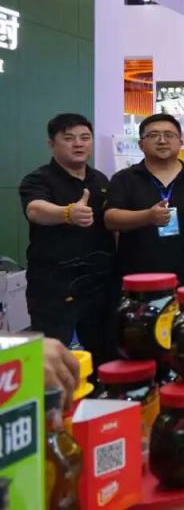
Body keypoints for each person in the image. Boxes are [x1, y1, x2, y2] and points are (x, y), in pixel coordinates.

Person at [19, 113, 116, 362]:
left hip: (98, 282)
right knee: (51, 359)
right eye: (69, 138)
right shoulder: (38, 179)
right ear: (51, 143)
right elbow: (35, 210)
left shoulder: (100, 180)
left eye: (85, 137)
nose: (78, 144)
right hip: (54, 285)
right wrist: (67, 213)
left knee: (104, 356)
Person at [104, 113, 184, 285]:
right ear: (141, 144)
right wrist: (147, 217)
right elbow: (110, 219)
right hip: (137, 277)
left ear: (181, 141)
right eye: (153, 135)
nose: (162, 141)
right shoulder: (124, 179)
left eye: (169, 135)